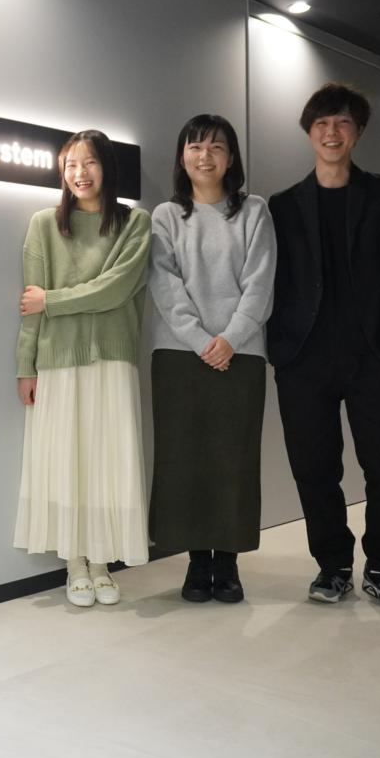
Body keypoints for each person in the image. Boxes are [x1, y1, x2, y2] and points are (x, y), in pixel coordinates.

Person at [267, 84, 380, 609]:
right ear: (309, 133)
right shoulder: (284, 205)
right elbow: (275, 281)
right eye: (322, 124)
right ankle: (332, 566)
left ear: (358, 132)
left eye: (342, 123)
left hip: (376, 355)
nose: (332, 133)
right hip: (304, 359)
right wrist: (280, 347)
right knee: (314, 469)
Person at [14, 129, 151, 608]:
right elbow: (29, 306)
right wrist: (25, 366)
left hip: (113, 358)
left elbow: (116, 289)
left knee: (107, 461)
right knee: (66, 462)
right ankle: (75, 563)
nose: (80, 173)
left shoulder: (135, 223)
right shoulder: (43, 225)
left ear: (107, 167)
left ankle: (101, 563)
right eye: (71, 164)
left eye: (89, 162)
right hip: (57, 360)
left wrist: (52, 300)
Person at [147, 114, 275, 604]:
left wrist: (231, 338)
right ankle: (198, 562)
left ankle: (229, 563)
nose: (205, 156)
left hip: (241, 355)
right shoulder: (165, 216)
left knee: (233, 459)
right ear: (182, 156)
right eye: (195, 147)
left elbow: (260, 282)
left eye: (216, 147)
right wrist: (203, 340)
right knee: (183, 460)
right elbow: (165, 285)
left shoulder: (254, 211)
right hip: (180, 356)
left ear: (231, 157)